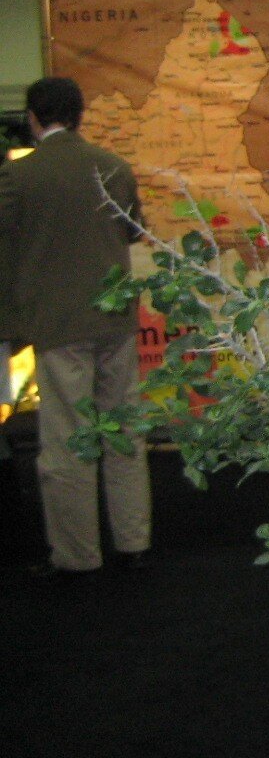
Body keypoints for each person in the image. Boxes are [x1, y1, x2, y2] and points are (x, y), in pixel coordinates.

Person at [0, 77, 151, 576]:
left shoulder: (18, 177)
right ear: (81, 114)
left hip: (58, 324)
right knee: (124, 431)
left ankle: (77, 555)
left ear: (33, 117)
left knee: (67, 441)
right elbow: (131, 230)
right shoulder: (114, 167)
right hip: (116, 319)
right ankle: (133, 541)